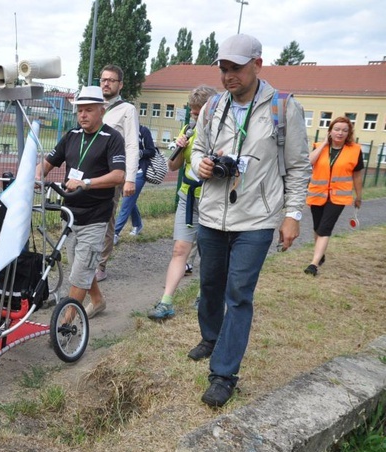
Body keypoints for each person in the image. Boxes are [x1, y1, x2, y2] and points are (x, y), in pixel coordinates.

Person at [189, 34, 311, 408]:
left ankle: (224, 374)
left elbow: (298, 166)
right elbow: (196, 151)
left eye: (236, 68)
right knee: (210, 286)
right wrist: (202, 165)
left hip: (256, 220)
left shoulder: (284, 107)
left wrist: (291, 216)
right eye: (223, 69)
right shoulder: (212, 107)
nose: (228, 76)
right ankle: (211, 337)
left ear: (258, 64)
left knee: (238, 295)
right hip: (212, 214)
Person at [36, 86, 126, 319]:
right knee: (81, 267)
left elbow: (119, 176)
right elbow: (48, 162)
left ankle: (64, 325)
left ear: (101, 110)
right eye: (79, 111)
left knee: (80, 272)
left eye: (88, 110)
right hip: (70, 215)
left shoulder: (112, 138)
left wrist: (85, 182)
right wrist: (37, 176)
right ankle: (97, 301)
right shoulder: (72, 136)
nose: (82, 115)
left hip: (95, 217)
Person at [148, 85, 217, 320]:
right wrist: (180, 147)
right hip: (188, 198)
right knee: (180, 249)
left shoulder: (222, 133)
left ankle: (203, 296)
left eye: (199, 113)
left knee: (209, 253)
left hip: (213, 200)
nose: (195, 117)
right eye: (193, 112)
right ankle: (166, 301)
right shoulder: (188, 130)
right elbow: (173, 166)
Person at [95, 64, 139, 282]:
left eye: (111, 80)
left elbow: (131, 145)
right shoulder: (93, 106)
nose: (106, 83)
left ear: (120, 84)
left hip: (112, 175)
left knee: (106, 219)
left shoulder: (127, 110)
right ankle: (86, 259)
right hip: (89, 173)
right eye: (103, 79)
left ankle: (100, 264)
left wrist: (129, 178)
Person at [304, 116, 364, 276]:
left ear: (349, 133)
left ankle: (313, 264)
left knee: (325, 228)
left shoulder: (355, 150)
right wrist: (324, 143)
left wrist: (359, 196)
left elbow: (357, 175)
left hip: (338, 197)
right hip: (317, 194)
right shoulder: (319, 146)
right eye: (337, 129)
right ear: (330, 131)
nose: (340, 133)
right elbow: (308, 162)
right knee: (317, 227)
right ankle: (320, 254)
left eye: (345, 130)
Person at [113, 124, 156, 245]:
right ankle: (138, 224)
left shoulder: (143, 131)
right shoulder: (120, 132)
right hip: (123, 172)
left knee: (126, 202)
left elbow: (151, 151)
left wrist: (139, 153)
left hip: (138, 172)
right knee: (130, 200)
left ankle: (115, 233)